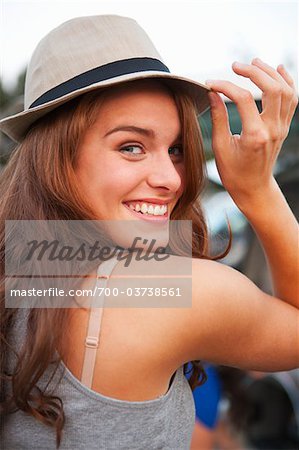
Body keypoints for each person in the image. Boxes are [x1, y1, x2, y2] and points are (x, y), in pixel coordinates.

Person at [0, 14, 298, 450]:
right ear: (57, 160)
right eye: (131, 147)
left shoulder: (20, 266)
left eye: (176, 149)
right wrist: (257, 189)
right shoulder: (158, 291)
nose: (172, 178)